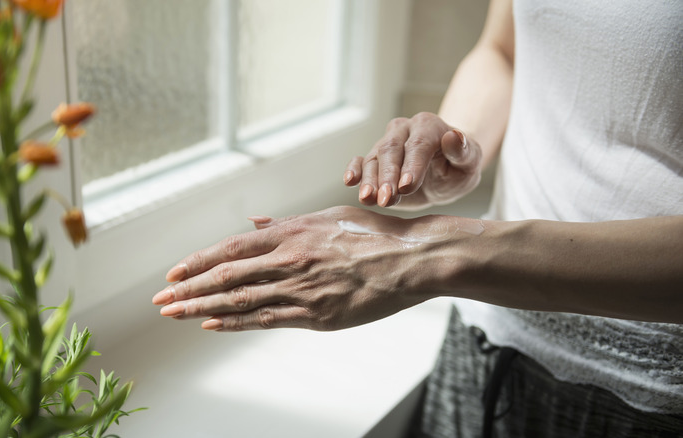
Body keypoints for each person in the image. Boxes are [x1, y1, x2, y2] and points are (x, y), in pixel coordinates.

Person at [152, 0, 683, 436]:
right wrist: (455, 145)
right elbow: (503, 50)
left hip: (658, 403)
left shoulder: (443, 261)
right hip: (489, 339)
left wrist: (430, 253)